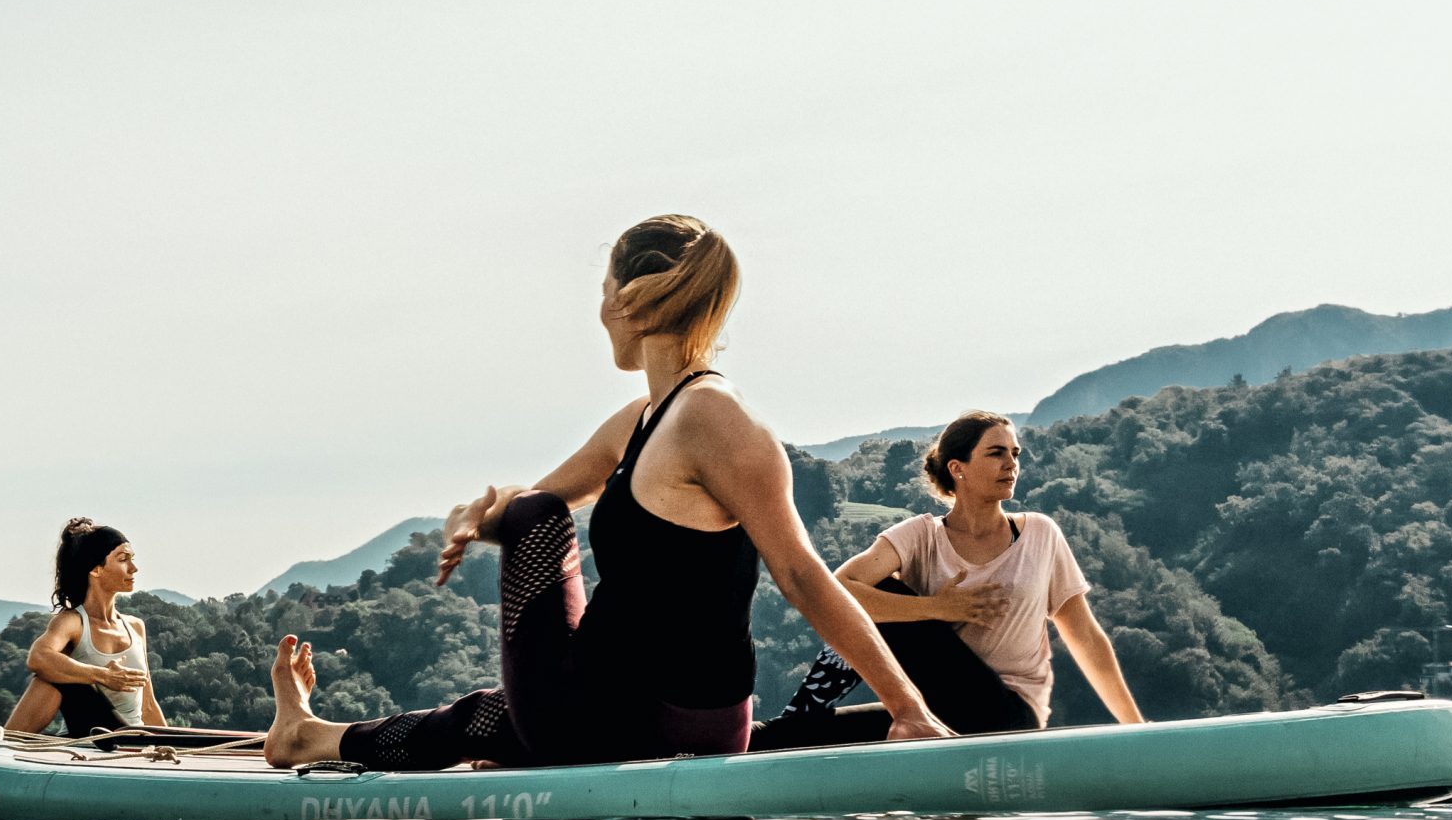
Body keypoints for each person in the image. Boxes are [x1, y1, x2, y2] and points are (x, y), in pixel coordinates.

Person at [261, 214, 955, 770]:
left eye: (602, 291)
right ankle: (312, 737)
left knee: (531, 526)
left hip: (648, 716)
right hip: (627, 711)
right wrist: (474, 515)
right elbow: (534, 495)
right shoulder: (644, 421)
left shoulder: (714, 418)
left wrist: (908, 706)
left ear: (629, 297)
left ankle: (330, 736)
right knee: (487, 715)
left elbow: (803, 573)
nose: (598, 311)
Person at [752, 412, 1143, 749]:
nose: (1012, 464)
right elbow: (838, 590)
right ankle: (702, 751)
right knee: (781, 737)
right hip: (929, 715)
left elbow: (1086, 637)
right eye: (996, 453)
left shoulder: (1040, 535)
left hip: (1007, 717)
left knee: (881, 595)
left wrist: (1136, 730)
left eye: (1015, 453)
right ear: (958, 468)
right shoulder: (920, 536)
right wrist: (935, 607)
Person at [7, 518, 165, 736]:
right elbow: (38, 658)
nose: (133, 568)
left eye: (132, 559)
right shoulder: (72, 622)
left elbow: (147, 704)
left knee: (53, 670)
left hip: (130, 739)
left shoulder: (135, 627)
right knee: (48, 673)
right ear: (96, 570)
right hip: (88, 737)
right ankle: (5, 744)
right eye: (123, 559)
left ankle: (5, 742)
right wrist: (102, 676)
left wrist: (167, 747)